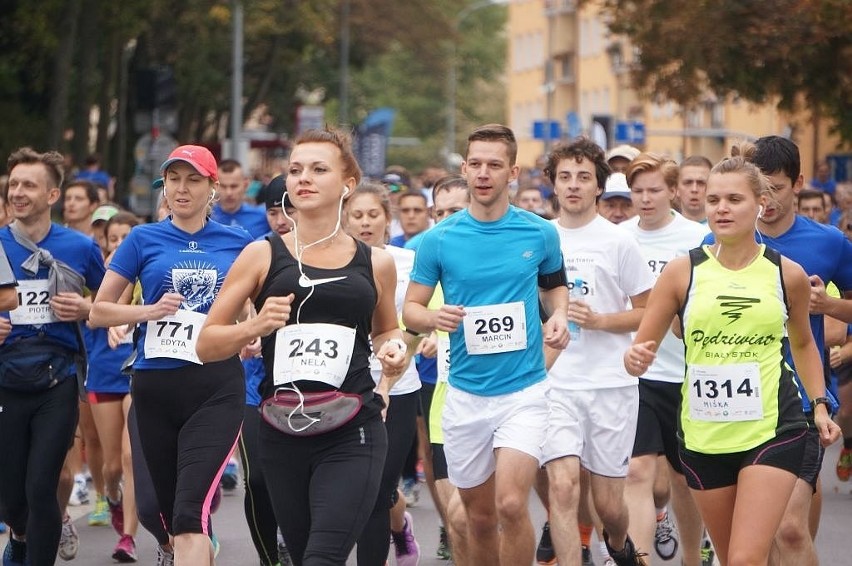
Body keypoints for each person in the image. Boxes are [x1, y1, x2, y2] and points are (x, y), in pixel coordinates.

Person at [195, 127, 407, 565]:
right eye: (295, 170)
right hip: (282, 429)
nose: (302, 178)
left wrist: (393, 349)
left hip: (355, 427)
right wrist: (253, 325)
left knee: (320, 559)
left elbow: (387, 330)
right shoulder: (262, 254)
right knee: (300, 554)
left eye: (318, 169)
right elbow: (206, 343)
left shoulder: (377, 262)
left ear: (347, 185)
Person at [626, 142, 841, 566]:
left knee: (746, 557)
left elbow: (802, 343)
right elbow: (642, 343)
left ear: (760, 205)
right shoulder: (682, 270)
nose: (721, 209)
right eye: (713, 200)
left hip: (772, 427)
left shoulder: (786, 273)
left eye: (734, 199)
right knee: (731, 559)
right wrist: (636, 358)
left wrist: (818, 405)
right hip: (704, 430)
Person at [403, 124, 570, 565]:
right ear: (464, 168)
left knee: (511, 504)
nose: (483, 173)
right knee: (477, 518)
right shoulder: (439, 239)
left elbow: (554, 288)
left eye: (494, 165)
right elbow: (411, 310)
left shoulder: (540, 233)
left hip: (524, 391)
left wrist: (561, 316)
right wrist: (433, 318)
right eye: (475, 164)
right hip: (465, 395)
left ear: (512, 171)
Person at [89, 144, 253, 566]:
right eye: (174, 180)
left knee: (188, 513)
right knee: (153, 511)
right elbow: (98, 311)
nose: (181, 189)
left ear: (211, 187)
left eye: (193, 180)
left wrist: (250, 331)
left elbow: (253, 304)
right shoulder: (143, 238)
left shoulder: (240, 243)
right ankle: (179, 549)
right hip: (156, 385)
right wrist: (148, 310)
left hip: (215, 384)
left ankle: (190, 543)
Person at [702, 136, 852, 566]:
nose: (766, 200)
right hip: (734, 402)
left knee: (788, 529)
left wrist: (831, 306)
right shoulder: (713, 243)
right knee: (753, 541)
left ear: (799, 184)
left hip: (802, 401)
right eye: (759, 189)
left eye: (777, 189)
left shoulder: (828, 243)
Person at [541, 137, 654, 566]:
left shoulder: (619, 242)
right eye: (565, 177)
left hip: (610, 385)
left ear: (599, 187)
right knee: (564, 487)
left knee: (609, 506)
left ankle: (621, 547)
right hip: (555, 383)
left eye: (584, 177)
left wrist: (601, 321)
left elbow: (648, 312)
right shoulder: (538, 237)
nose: (573, 185)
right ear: (553, 184)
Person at [0, 147, 106, 566]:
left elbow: (108, 297)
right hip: (5, 378)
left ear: (52, 195)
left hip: (57, 379)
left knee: (42, 485)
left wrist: (88, 311)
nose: (18, 192)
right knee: (10, 493)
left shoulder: (79, 247)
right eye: (13, 184)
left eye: (29, 185)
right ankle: (21, 537)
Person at [621, 152, 709, 566]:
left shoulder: (698, 238)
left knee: (683, 478)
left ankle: (692, 555)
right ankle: (639, 558)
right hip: (634, 374)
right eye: (637, 191)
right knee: (637, 470)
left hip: (687, 375)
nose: (645, 198)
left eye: (654, 190)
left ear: (672, 191)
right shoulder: (619, 236)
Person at [345, 182, 424, 565]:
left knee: (377, 489)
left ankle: (389, 539)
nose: (365, 223)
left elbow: (418, 315)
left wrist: (403, 348)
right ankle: (399, 526)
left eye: (373, 215)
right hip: (348, 387)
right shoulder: (333, 262)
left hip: (400, 387)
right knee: (358, 489)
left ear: (387, 220)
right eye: (356, 215)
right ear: (344, 220)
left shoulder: (407, 261)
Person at [86, 210, 141, 563]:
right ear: (105, 243)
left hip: (138, 372)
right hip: (104, 372)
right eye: (114, 238)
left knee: (130, 456)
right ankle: (111, 496)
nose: (120, 243)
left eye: (127, 238)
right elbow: (93, 313)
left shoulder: (150, 274)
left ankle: (128, 537)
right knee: (111, 467)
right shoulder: (98, 276)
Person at [210, 158, 269, 238]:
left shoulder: (263, 217)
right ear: (215, 186)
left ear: (245, 185)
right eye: (223, 186)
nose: (229, 193)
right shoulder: (205, 217)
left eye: (234, 186)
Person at [676, 156, 712, 224]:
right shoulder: (667, 230)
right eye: (688, 182)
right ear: (677, 189)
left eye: (701, 183)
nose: (694, 189)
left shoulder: (721, 231)